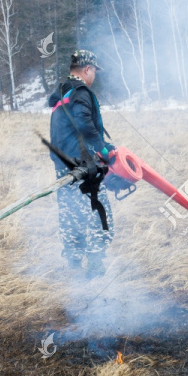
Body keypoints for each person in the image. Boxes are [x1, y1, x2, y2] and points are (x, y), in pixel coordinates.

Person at [48, 50, 115, 278]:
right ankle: (95, 266)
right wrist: (103, 149)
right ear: (87, 69)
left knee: (70, 214)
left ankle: (74, 266)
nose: (94, 76)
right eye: (94, 71)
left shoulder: (62, 91)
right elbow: (84, 123)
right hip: (83, 166)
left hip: (62, 164)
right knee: (99, 213)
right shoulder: (81, 92)